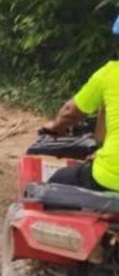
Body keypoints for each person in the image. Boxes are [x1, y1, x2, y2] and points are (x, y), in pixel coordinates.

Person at [42, 16, 119, 192]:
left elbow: (70, 112)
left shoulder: (108, 74)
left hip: (111, 178)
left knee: (57, 181)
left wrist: (56, 126)